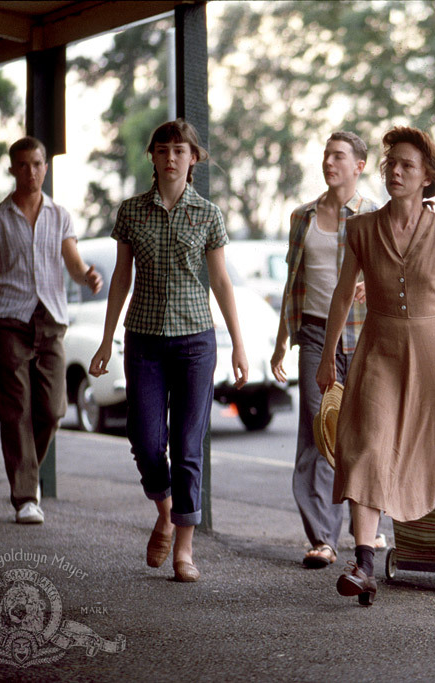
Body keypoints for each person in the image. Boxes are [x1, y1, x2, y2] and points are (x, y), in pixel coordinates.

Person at [316, 126, 435, 605]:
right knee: (367, 446)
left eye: (407, 165)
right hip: (379, 351)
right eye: (392, 163)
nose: (395, 171)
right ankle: (364, 562)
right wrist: (329, 356)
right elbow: (344, 293)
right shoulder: (363, 230)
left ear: (427, 176)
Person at [89, 119, 248, 583]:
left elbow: (220, 281)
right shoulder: (132, 212)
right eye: (163, 150)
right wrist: (105, 339)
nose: (172, 157)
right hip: (143, 339)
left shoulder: (208, 214)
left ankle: (184, 548)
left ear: (193, 158)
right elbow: (121, 277)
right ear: (153, 158)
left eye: (180, 150)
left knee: (187, 445)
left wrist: (238, 344)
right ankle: (164, 511)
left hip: (196, 341)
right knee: (143, 439)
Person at [0, 136, 103, 525]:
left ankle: (27, 473)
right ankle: (26, 495)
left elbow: (74, 263)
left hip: (50, 320)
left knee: (51, 408)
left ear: (46, 167)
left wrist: (88, 276)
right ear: (12, 169)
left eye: (38, 164)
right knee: (15, 411)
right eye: (24, 165)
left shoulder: (60, 216)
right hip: (9, 320)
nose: (32, 172)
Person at [270, 132, 381, 570]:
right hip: (316, 335)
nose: (329, 162)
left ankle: (367, 529)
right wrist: (282, 340)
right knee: (319, 432)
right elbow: (291, 281)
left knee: (366, 434)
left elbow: (397, 274)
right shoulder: (302, 217)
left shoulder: (374, 215)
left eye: (339, 156)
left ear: (359, 165)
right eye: (326, 155)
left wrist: (368, 284)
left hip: (365, 335)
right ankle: (322, 537)